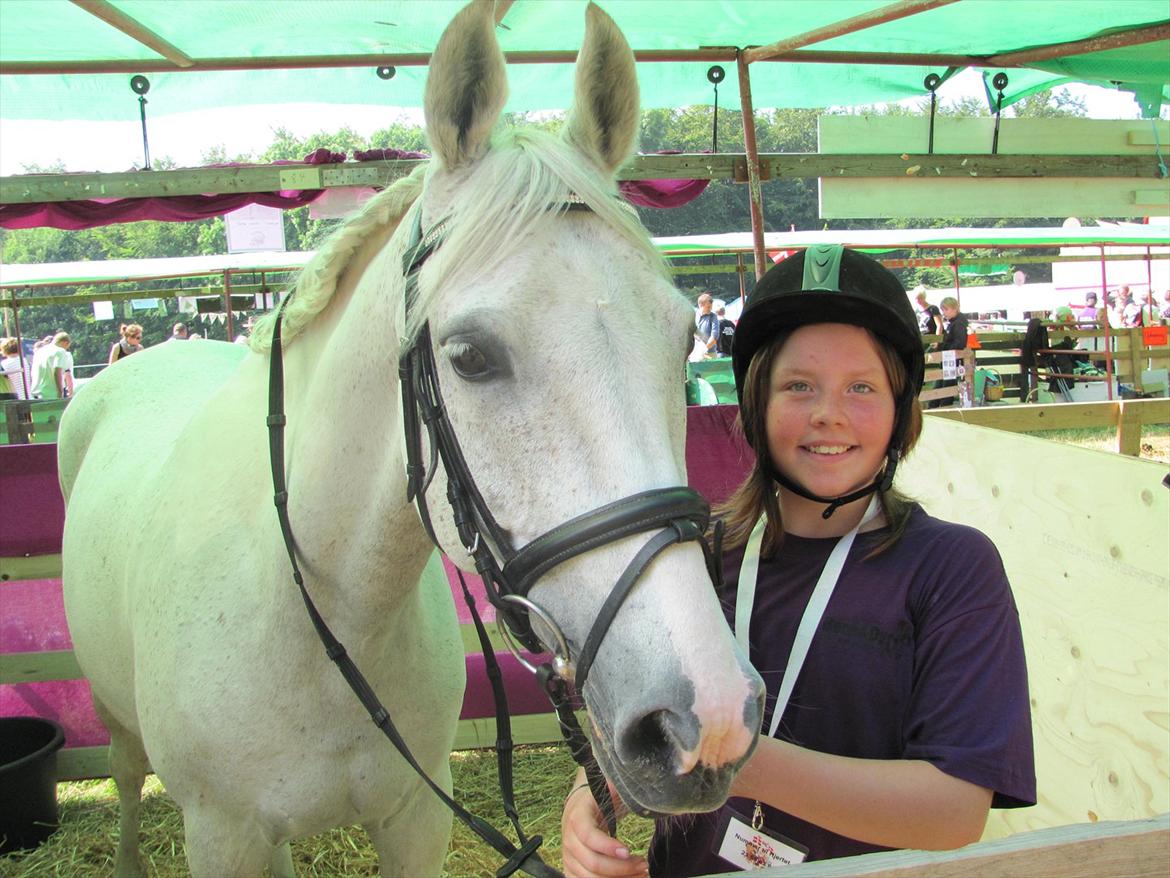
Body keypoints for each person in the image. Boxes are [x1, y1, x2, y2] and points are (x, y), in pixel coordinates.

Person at [561, 246, 1035, 877]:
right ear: (756, 405)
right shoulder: (692, 556)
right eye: (798, 386)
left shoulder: (951, 568)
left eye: (861, 387)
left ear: (900, 414)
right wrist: (589, 800)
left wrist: (745, 764)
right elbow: (631, 716)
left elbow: (954, 812)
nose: (827, 412)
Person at [31, 331, 73, 399]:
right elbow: (57, 372)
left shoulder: (39, 351)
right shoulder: (60, 351)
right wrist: (60, 392)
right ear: (66, 343)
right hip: (50, 393)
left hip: (35, 392)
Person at [694, 292, 719, 358]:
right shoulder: (693, 316)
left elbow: (714, 337)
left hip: (710, 354)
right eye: (708, 307)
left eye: (711, 307)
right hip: (695, 354)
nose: (710, 309)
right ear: (700, 305)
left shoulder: (713, 317)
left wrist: (704, 349)